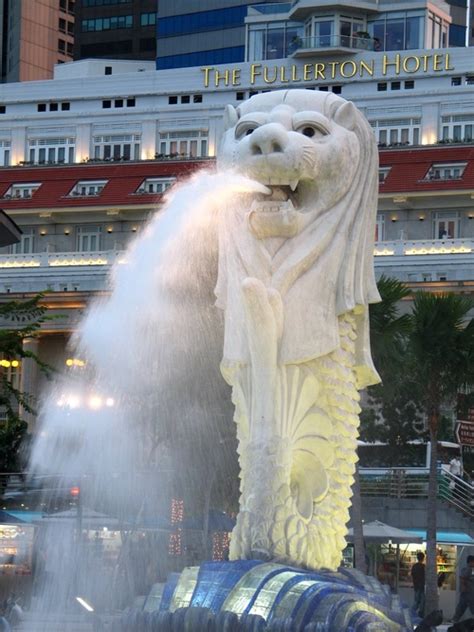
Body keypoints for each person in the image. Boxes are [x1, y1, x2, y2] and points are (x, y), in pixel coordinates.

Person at [452, 555, 474, 623]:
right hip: (468, 593)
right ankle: (454, 620)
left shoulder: (468, 569)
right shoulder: (468, 569)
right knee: (462, 607)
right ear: (470, 562)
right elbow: (462, 578)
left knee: (461, 607)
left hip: (468, 593)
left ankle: (455, 620)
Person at [411, 551, 426, 617]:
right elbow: (425, 576)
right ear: (423, 558)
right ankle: (418, 615)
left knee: (416, 601)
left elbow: (412, 575)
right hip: (422, 586)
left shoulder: (414, 566)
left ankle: (412, 613)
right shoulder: (423, 566)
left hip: (416, 586)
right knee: (421, 603)